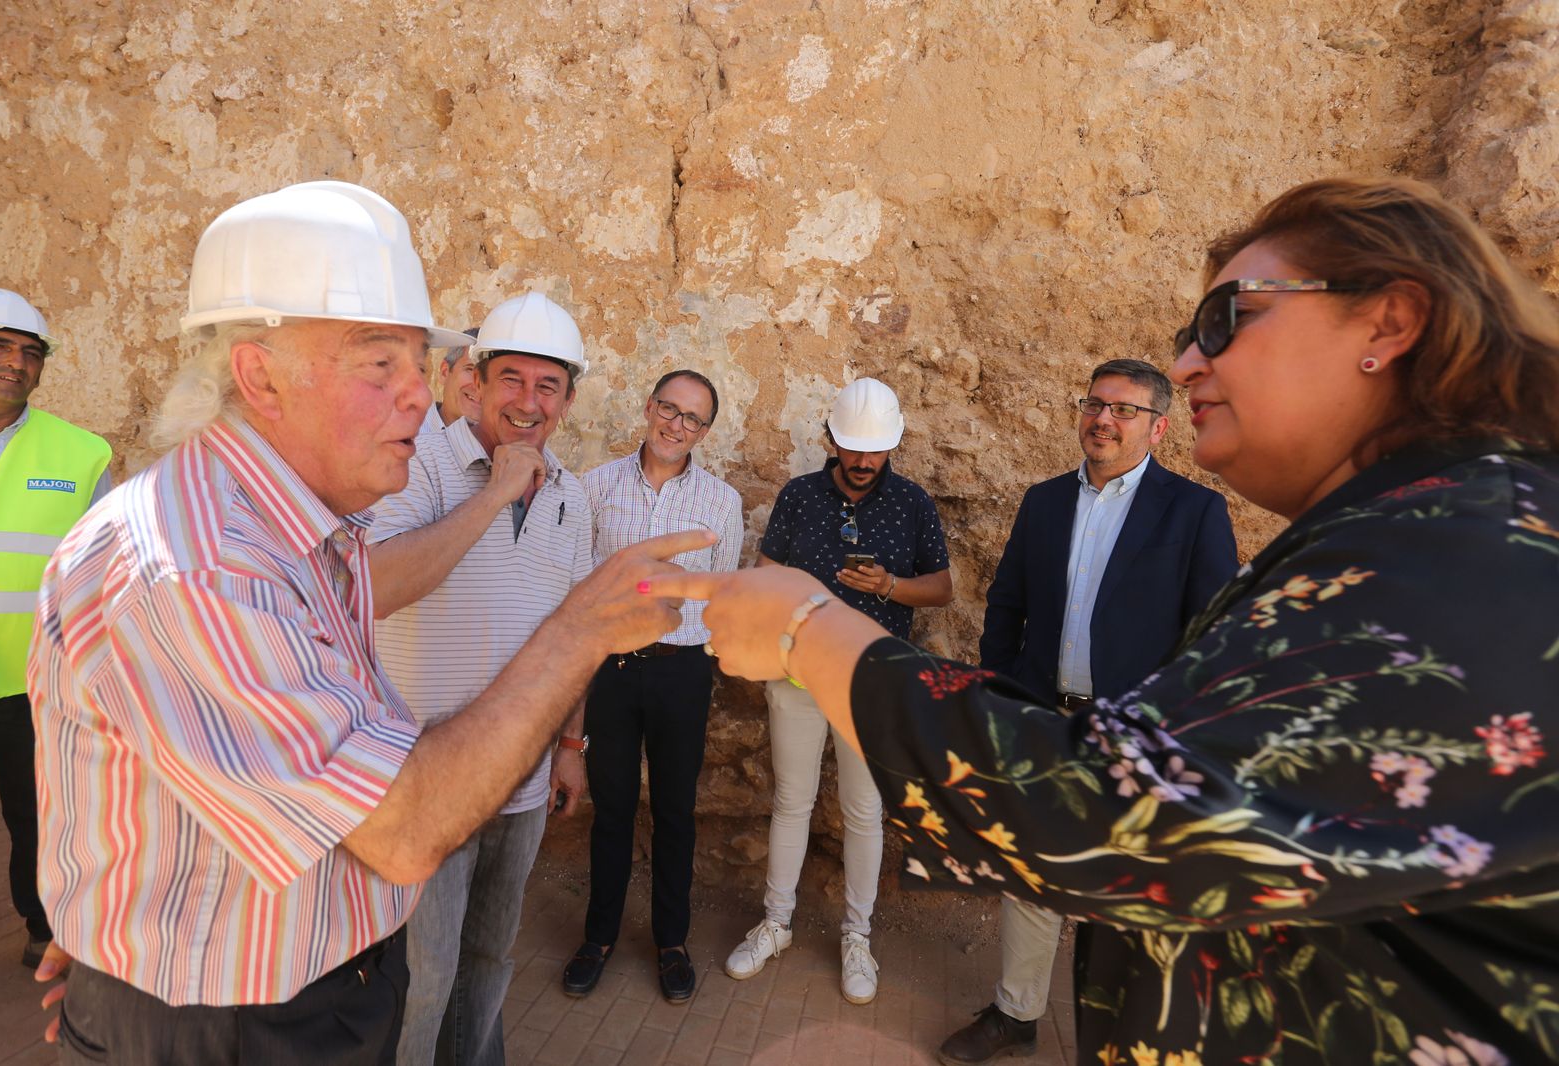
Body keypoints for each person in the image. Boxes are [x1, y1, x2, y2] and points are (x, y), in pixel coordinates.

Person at [660, 177, 1559, 1065]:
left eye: (1224, 322)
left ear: (1387, 325)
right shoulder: (1426, 527)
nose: (1185, 367)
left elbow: (1128, 816)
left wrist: (817, 634)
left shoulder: (1462, 552)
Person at [26, 181, 706, 1065]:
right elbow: (403, 829)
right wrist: (582, 629)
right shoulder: (202, 567)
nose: (419, 398)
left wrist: (119, 909)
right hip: (238, 1022)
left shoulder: (302, 530)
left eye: (418, 364)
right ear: (259, 373)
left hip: (292, 980)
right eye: (378, 362)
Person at [939, 358, 1237, 1064]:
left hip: (1137, 733)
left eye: (1124, 410)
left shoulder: (1194, 513)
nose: (1103, 420)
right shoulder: (1043, 501)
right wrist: (1002, 690)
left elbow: (1212, 635)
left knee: (1122, 886)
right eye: (1094, 404)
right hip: (1045, 717)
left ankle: (1119, 1034)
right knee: (1032, 873)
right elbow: (1007, 602)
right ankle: (1016, 1014)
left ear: (1159, 427)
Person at [371, 290, 593, 1066]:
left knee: (490, 959)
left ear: (569, 397)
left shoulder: (571, 495)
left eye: (548, 386)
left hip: (523, 784)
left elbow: (573, 636)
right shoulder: (416, 464)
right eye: (512, 380)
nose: (527, 403)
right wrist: (498, 487)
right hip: (426, 778)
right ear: (477, 376)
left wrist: (570, 742)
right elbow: (380, 582)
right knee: (424, 975)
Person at [724, 377, 953, 1006]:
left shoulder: (912, 503)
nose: (860, 463)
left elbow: (940, 588)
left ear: (892, 445)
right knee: (791, 804)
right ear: (831, 440)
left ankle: (858, 937)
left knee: (864, 813)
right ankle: (775, 924)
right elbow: (766, 573)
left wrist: (887, 587)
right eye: (851, 449)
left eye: (873, 452)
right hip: (797, 677)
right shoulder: (799, 496)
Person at [561, 369, 743, 1004]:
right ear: (649, 408)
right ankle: (599, 936)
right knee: (610, 808)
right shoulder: (594, 489)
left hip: (681, 673)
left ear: (706, 431)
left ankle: (671, 941)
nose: (677, 426)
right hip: (611, 669)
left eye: (693, 419)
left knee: (674, 811)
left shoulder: (721, 503)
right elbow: (579, 592)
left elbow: (721, 597)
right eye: (670, 409)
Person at [0, 289, 111, 970]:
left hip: (33, 672)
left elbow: (106, 568)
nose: (16, 363)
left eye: (30, 352)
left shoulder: (81, 455)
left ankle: (46, 928)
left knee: (42, 814)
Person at [420, 326, 479, 433]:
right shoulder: (406, 433)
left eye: (488, 375)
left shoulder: (506, 443)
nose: (480, 385)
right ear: (444, 372)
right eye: (470, 370)